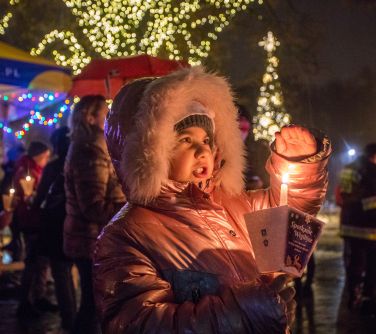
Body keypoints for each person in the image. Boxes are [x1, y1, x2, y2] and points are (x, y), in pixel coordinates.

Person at [94, 66, 331, 333]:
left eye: (206, 139)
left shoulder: (233, 203)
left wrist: (299, 164)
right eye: (184, 139)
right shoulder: (125, 236)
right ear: (148, 153)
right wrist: (250, 310)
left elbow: (289, 215)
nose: (202, 150)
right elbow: (139, 323)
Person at [64, 95, 126, 334]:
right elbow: (93, 207)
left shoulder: (96, 148)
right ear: (90, 118)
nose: (109, 116)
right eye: (104, 112)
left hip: (91, 240)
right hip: (89, 241)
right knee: (93, 306)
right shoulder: (89, 154)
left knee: (94, 305)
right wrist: (127, 209)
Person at [32, 126, 76, 332]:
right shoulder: (81, 164)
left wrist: (35, 209)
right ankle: (82, 319)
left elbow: (41, 196)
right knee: (79, 275)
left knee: (62, 273)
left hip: (57, 224)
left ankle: (70, 320)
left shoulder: (53, 167)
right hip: (79, 225)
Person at [12, 141, 55, 317]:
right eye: (45, 157)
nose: (46, 160)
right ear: (39, 156)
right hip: (31, 222)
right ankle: (26, 302)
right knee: (33, 262)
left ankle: (38, 297)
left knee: (41, 262)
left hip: (36, 220)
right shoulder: (27, 171)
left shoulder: (33, 169)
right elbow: (27, 198)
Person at [337, 143, 376, 314]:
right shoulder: (371, 171)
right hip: (367, 227)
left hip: (349, 224)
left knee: (353, 262)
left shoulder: (349, 168)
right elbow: (369, 200)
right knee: (370, 263)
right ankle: (366, 297)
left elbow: (343, 195)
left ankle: (353, 294)